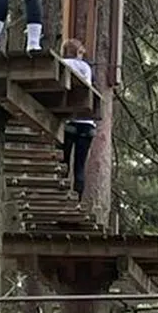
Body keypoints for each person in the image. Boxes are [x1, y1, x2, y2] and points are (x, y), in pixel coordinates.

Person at [60, 39, 97, 198]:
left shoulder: (61, 63)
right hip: (87, 124)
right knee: (80, 165)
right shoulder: (86, 67)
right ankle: (78, 200)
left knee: (64, 161)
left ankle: (61, 195)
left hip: (70, 121)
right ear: (77, 52)